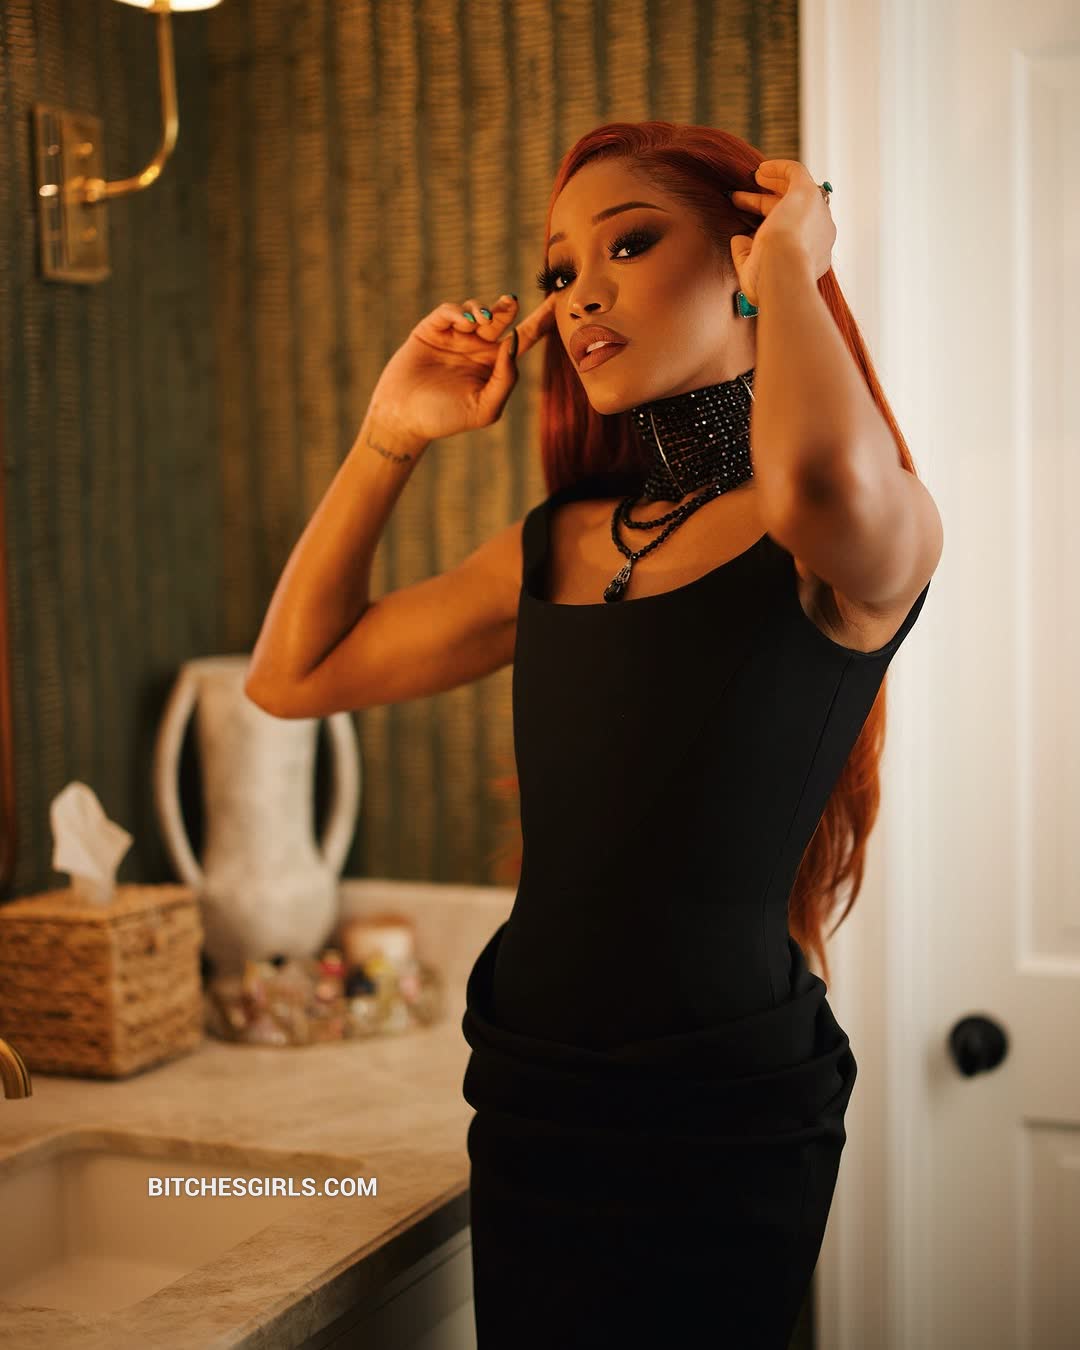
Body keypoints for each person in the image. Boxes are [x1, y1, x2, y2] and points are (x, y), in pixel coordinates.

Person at [245, 121, 942, 1348]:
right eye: (560, 270)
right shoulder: (558, 544)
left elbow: (816, 483)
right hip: (533, 1090)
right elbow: (290, 676)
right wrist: (389, 434)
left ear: (740, 256)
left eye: (628, 244)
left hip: (723, 1109)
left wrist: (795, 269)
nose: (578, 296)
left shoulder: (859, 531)